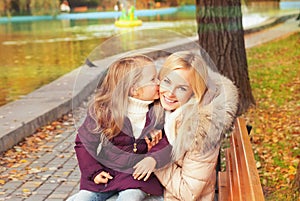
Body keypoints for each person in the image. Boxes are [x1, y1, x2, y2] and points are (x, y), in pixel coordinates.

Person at [133, 51, 238, 200]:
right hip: (159, 189)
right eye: (167, 82)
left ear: (195, 92)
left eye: (182, 88)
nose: (170, 93)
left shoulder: (201, 129)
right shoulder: (160, 108)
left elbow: (189, 192)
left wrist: (154, 159)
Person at [67, 55, 171, 201]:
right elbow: (84, 143)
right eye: (153, 79)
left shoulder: (159, 111)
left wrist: (153, 158)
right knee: (84, 198)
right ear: (134, 90)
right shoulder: (104, 111)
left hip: (136, 176)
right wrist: (94, 172)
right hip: (108, 172)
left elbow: (169, 140)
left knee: (131, 197)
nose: (159, 83)